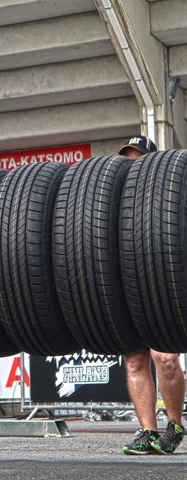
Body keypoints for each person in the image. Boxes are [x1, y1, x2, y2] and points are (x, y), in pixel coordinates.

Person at [117, 135, 185, 455]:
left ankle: (174, 425)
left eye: (139, 157)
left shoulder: (167, 199)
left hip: (160, 286)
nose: (132, 163)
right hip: (124, 288)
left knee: (166, 359)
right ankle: (147, 430)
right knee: (134, 359)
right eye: (128, 158)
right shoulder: (112, 200)